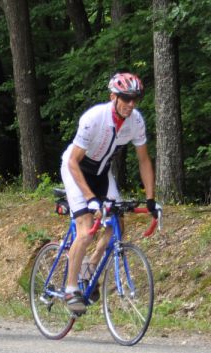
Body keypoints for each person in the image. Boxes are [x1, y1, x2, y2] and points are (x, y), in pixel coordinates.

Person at [60, 70, 160, 316]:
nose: (131, 104)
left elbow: (144, 160)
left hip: (102, 173)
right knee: (85, 230)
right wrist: (91, 200)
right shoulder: (94, 117)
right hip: (76, 170)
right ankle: (71, 288)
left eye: (135, 99)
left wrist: (150, 199)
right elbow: (74, 162)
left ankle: (89, 269)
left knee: (116, 225)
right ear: (113, 96)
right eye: (126, 98)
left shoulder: (136, 121)